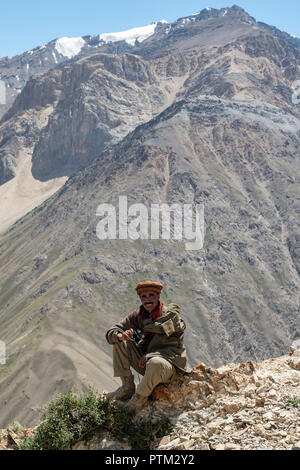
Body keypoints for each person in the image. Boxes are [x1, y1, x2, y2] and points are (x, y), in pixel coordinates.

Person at [105, 280, 191, 412]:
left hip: (168, 365)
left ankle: (138, 400)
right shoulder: (137, 315)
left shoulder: (169, 317)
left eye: (151, 295)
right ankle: (127, 387)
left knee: (155, 362)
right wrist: (120, 336)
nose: (148, 300)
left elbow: (174, 349)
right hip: (146, 363)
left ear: (158, 296)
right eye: (143, 296)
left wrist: (151, 355)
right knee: (120, 342)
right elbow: (112, 332)